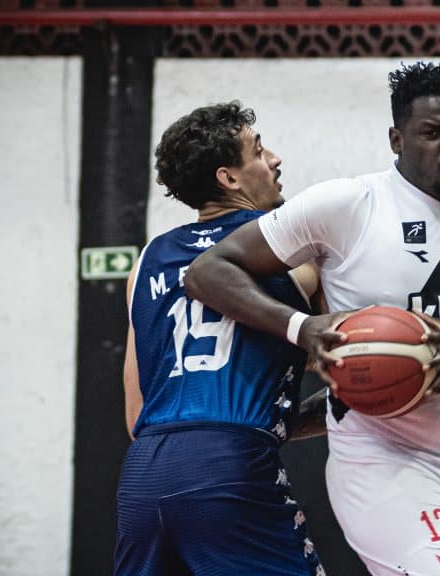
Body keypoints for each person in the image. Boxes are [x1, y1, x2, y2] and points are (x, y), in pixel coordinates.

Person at [184, 62, 440, 576]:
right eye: (432, 133)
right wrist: (301, 328)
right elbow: (208, 272)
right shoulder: (347, 204)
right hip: (385, 465)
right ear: (396, 138)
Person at [115, 101, 326, 576]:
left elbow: (136, 413)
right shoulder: (293, 252)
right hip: (229, 464)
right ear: (229, 178)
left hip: (143, 473)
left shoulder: (146, 261)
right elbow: (344, 356)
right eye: (258, 149)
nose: (274, 159)